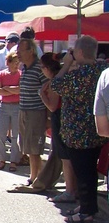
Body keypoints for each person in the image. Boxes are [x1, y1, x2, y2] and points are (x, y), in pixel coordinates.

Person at [50, 35, 108, 223]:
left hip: (78, 133)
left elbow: (55, 85)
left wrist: (66, 65)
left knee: (84, 174)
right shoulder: (101, 70)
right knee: (90, 172)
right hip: (98, 130)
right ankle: (86, 205)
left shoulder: (76, 76)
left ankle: (87, 211)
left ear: (80, 52)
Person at [39, 52, 77, 202]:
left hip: (60, 118)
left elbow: (53, 106)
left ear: (48, 68)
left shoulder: (55, 81)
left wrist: (42, 94)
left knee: (65, 157)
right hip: (67, 117)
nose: (42, 70)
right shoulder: (67, 77)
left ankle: (69, 191)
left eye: (42, 67)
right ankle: (74, 189)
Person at [16, 37, 48, 183]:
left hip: (36, 112)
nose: (17, 54)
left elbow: (48, 90)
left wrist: (47, 116)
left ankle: (36, 177)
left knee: (34, 147)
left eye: (20, 50)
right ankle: (34, 175)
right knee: (26, 146)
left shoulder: (39, 68)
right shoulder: (24, 68)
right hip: (24, 110)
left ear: (31, 51)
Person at [0, 49, 22, 171]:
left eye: (18, 62)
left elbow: (20, 90)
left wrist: (7, 88)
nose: (16, 64)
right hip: (3, 106)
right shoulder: (1, 74)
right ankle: (1, 159)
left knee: (16, 134)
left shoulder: (21, 74)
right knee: (0, 133)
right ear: (8, 62)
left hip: (17, 106)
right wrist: (12, 90)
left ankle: (14, 160)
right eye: (14, 62)